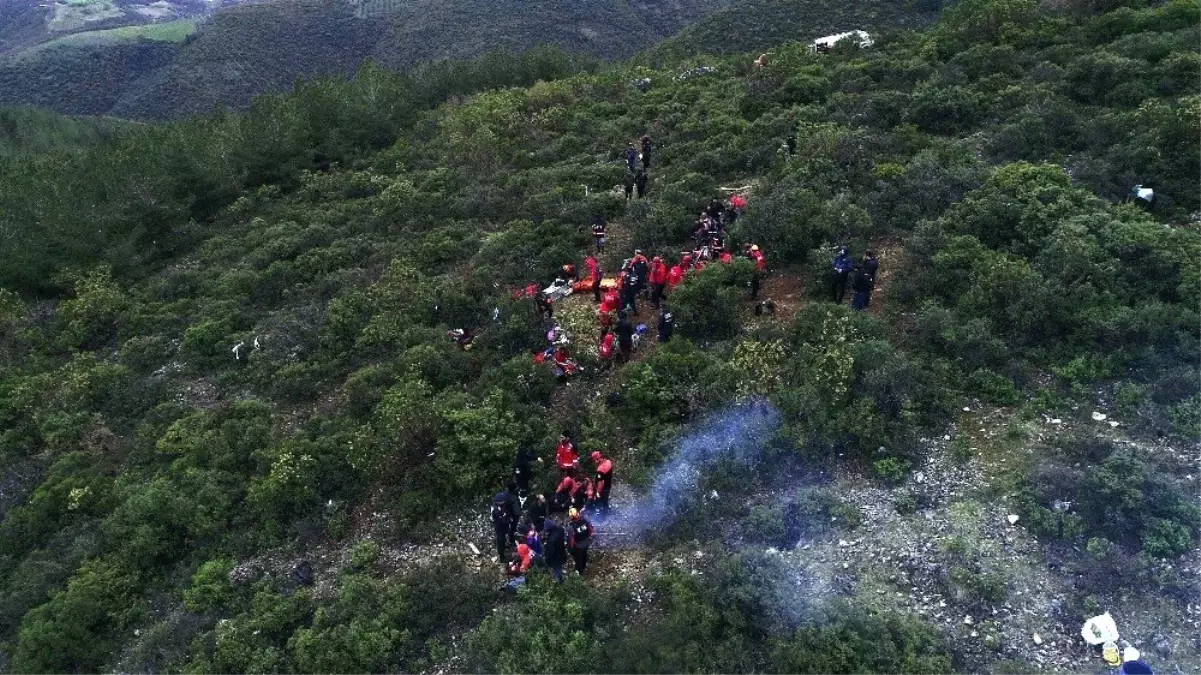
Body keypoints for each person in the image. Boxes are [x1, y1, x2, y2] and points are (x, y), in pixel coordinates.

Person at [490, 485, 520, 562]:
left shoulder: (503, 505)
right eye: (503, 502)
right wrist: (509, 519)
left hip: (504, 526)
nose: (504, 502)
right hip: (499, 527)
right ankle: (502, 557)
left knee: (503, 538)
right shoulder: (495, 511)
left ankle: (504, 546)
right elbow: (501, 520)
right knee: (500, 540)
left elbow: (507, 512)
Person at [567, 508, 594, 575]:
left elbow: (571, 540)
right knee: (584, 554)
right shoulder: (584, 520)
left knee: (578, 559)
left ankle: (580, 571)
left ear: (571, 516)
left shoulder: (571, 526)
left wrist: (571, 549)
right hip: (586, 542)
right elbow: (591, 530)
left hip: (578, 546)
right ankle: (584, 566)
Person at [542, 518, 568, 583]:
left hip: (555, 559)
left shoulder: (551, 541)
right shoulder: (560, 530)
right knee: (559, 568)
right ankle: (561, 579)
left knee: (557, 571)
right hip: (562, 553)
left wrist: (546, 560)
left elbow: (550, 553)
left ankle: (559, 583)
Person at [591, 451, 614, 516]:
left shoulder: (601, 469)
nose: (594, 462)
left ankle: (603, 516)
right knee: (605, 501)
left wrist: (598, 492)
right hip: (608, 486)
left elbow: (601, 483)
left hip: (603, 489)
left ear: (597, 459)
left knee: (601, 502)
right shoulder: (608, 462)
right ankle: (607, 511)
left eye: (595, 460)